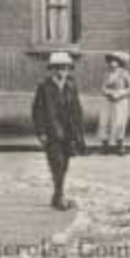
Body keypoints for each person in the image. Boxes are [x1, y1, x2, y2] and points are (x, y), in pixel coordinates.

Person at [32, 51, 87, 210]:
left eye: (64, 68)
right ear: (51, 69)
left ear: (69, 69)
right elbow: (37, 110)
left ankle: (57, 196)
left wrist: (80, 133)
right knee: (57, 163)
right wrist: (41, 132)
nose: (61, 71)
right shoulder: (44, 86)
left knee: (65, 165)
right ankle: (60, 196)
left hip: (69, 131)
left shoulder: (71, 85)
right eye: (57, 68)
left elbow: (77, 109)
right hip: (52, 132)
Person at [99, 52, 130, 155]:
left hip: (120, 101)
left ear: (119, 63)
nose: (112, 63)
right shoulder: (107, 74)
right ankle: (105, 145)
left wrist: (120, 94)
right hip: (108, 100)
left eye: (115, 61)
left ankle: (119, 145)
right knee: (104, 121)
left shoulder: (124, 73)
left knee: (119, 122)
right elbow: (103, 87)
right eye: (110, 61)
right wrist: (107, 92)